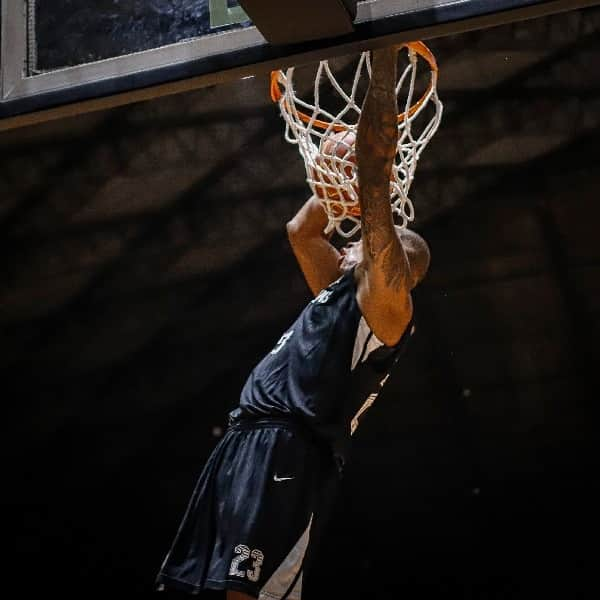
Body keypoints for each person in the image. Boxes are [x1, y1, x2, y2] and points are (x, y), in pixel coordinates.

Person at [155, 46, 431, 600]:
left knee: (250, 594)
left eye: (368, 242)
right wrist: (332, 178)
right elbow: (301, 232)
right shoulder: (337, 290)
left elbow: (377, 191)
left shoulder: (384, 306)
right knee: (195, 585)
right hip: (243, 440)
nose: (352, 239)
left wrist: (381, 65)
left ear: (390, 263)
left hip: (290, 451)